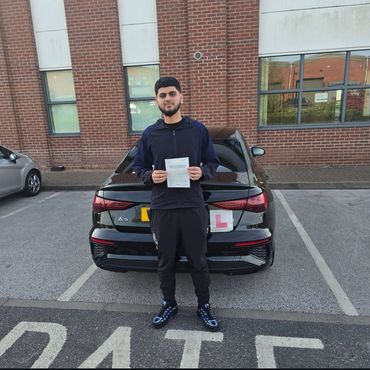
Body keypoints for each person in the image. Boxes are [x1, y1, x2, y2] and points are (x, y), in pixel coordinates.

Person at [133, 76, 220, 331]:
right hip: (162, 207)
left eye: (172, 94)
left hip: (192, 205)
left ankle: (204, 306)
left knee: (198, 260)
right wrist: (150, 176)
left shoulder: (198, 130)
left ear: (181, 97)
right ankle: (168, 303)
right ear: (156, 100)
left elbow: (213, 163)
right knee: (165, 260)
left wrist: (202, 172)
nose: (167, 99)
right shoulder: (150, 134)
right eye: (162, 95)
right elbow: (138, 167)